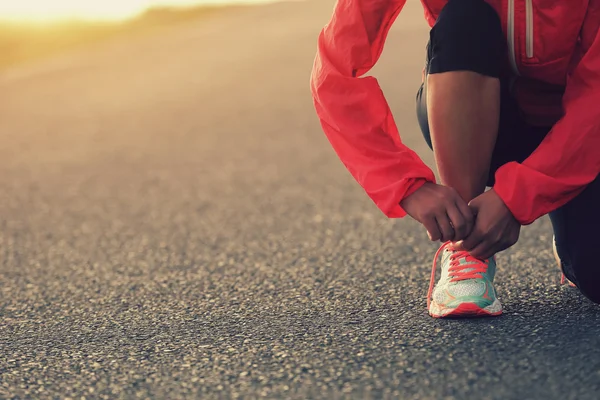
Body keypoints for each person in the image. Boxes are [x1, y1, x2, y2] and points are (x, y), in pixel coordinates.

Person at [310, 0, 600, 318]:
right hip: (468, 108)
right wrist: (403, 184)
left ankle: (572, 238)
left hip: (577, 125)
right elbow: (334, 71)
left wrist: (521, 195)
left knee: (594, 270)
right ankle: (466, 249)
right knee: (466, 17)